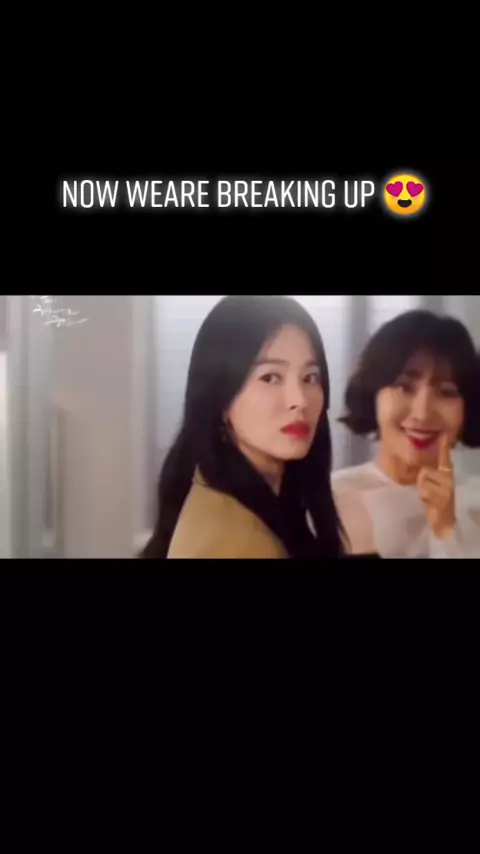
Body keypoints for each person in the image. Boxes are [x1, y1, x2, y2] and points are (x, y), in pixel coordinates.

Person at [141, 295, 347, 559]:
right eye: (270, 377)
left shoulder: (229, 497)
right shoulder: (236, 542)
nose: (300, 400)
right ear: (221, 394)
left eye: (310, 377)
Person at [333, 310, 480, 558]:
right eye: (404, 387)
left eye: (446, 392)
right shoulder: (327, 501)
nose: (422, 414)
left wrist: (447, 531)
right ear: (373, 395)